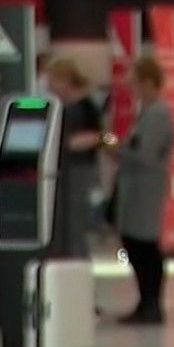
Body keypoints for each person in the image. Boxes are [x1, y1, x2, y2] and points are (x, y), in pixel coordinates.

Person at [107, 57, 174, 325]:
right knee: (135, 244)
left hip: (146, 187)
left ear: (147, 82)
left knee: (144, 245)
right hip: (136, 186)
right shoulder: (146, 113)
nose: (132, 90)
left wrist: (116, 148)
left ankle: (152, 302)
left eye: (134, 84)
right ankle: (145, 300)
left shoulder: (158, 114)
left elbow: (144, 154)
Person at [42, 58, 105, 260]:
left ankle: (78, 263)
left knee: (74, 222)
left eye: (54, 81)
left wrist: (64, 144)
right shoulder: (65, 107)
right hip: (68, 171)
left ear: (66, 80)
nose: (50, 87)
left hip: (79, 171)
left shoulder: (84, 107)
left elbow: (99, 137)